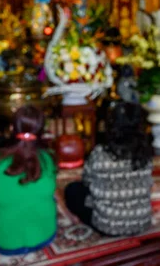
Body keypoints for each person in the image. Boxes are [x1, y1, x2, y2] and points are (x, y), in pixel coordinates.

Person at [0, 106, 56, 255]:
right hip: (46, 238)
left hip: (6, 245)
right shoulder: (48, 158)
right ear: (42, 131)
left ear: (11, 128)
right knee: (46, 197)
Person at [64, 101, 153, 236]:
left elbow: (87, 181)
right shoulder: (146, 153)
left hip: (108, 225)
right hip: (142, 221)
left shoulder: (100, 153)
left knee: (72, 190)